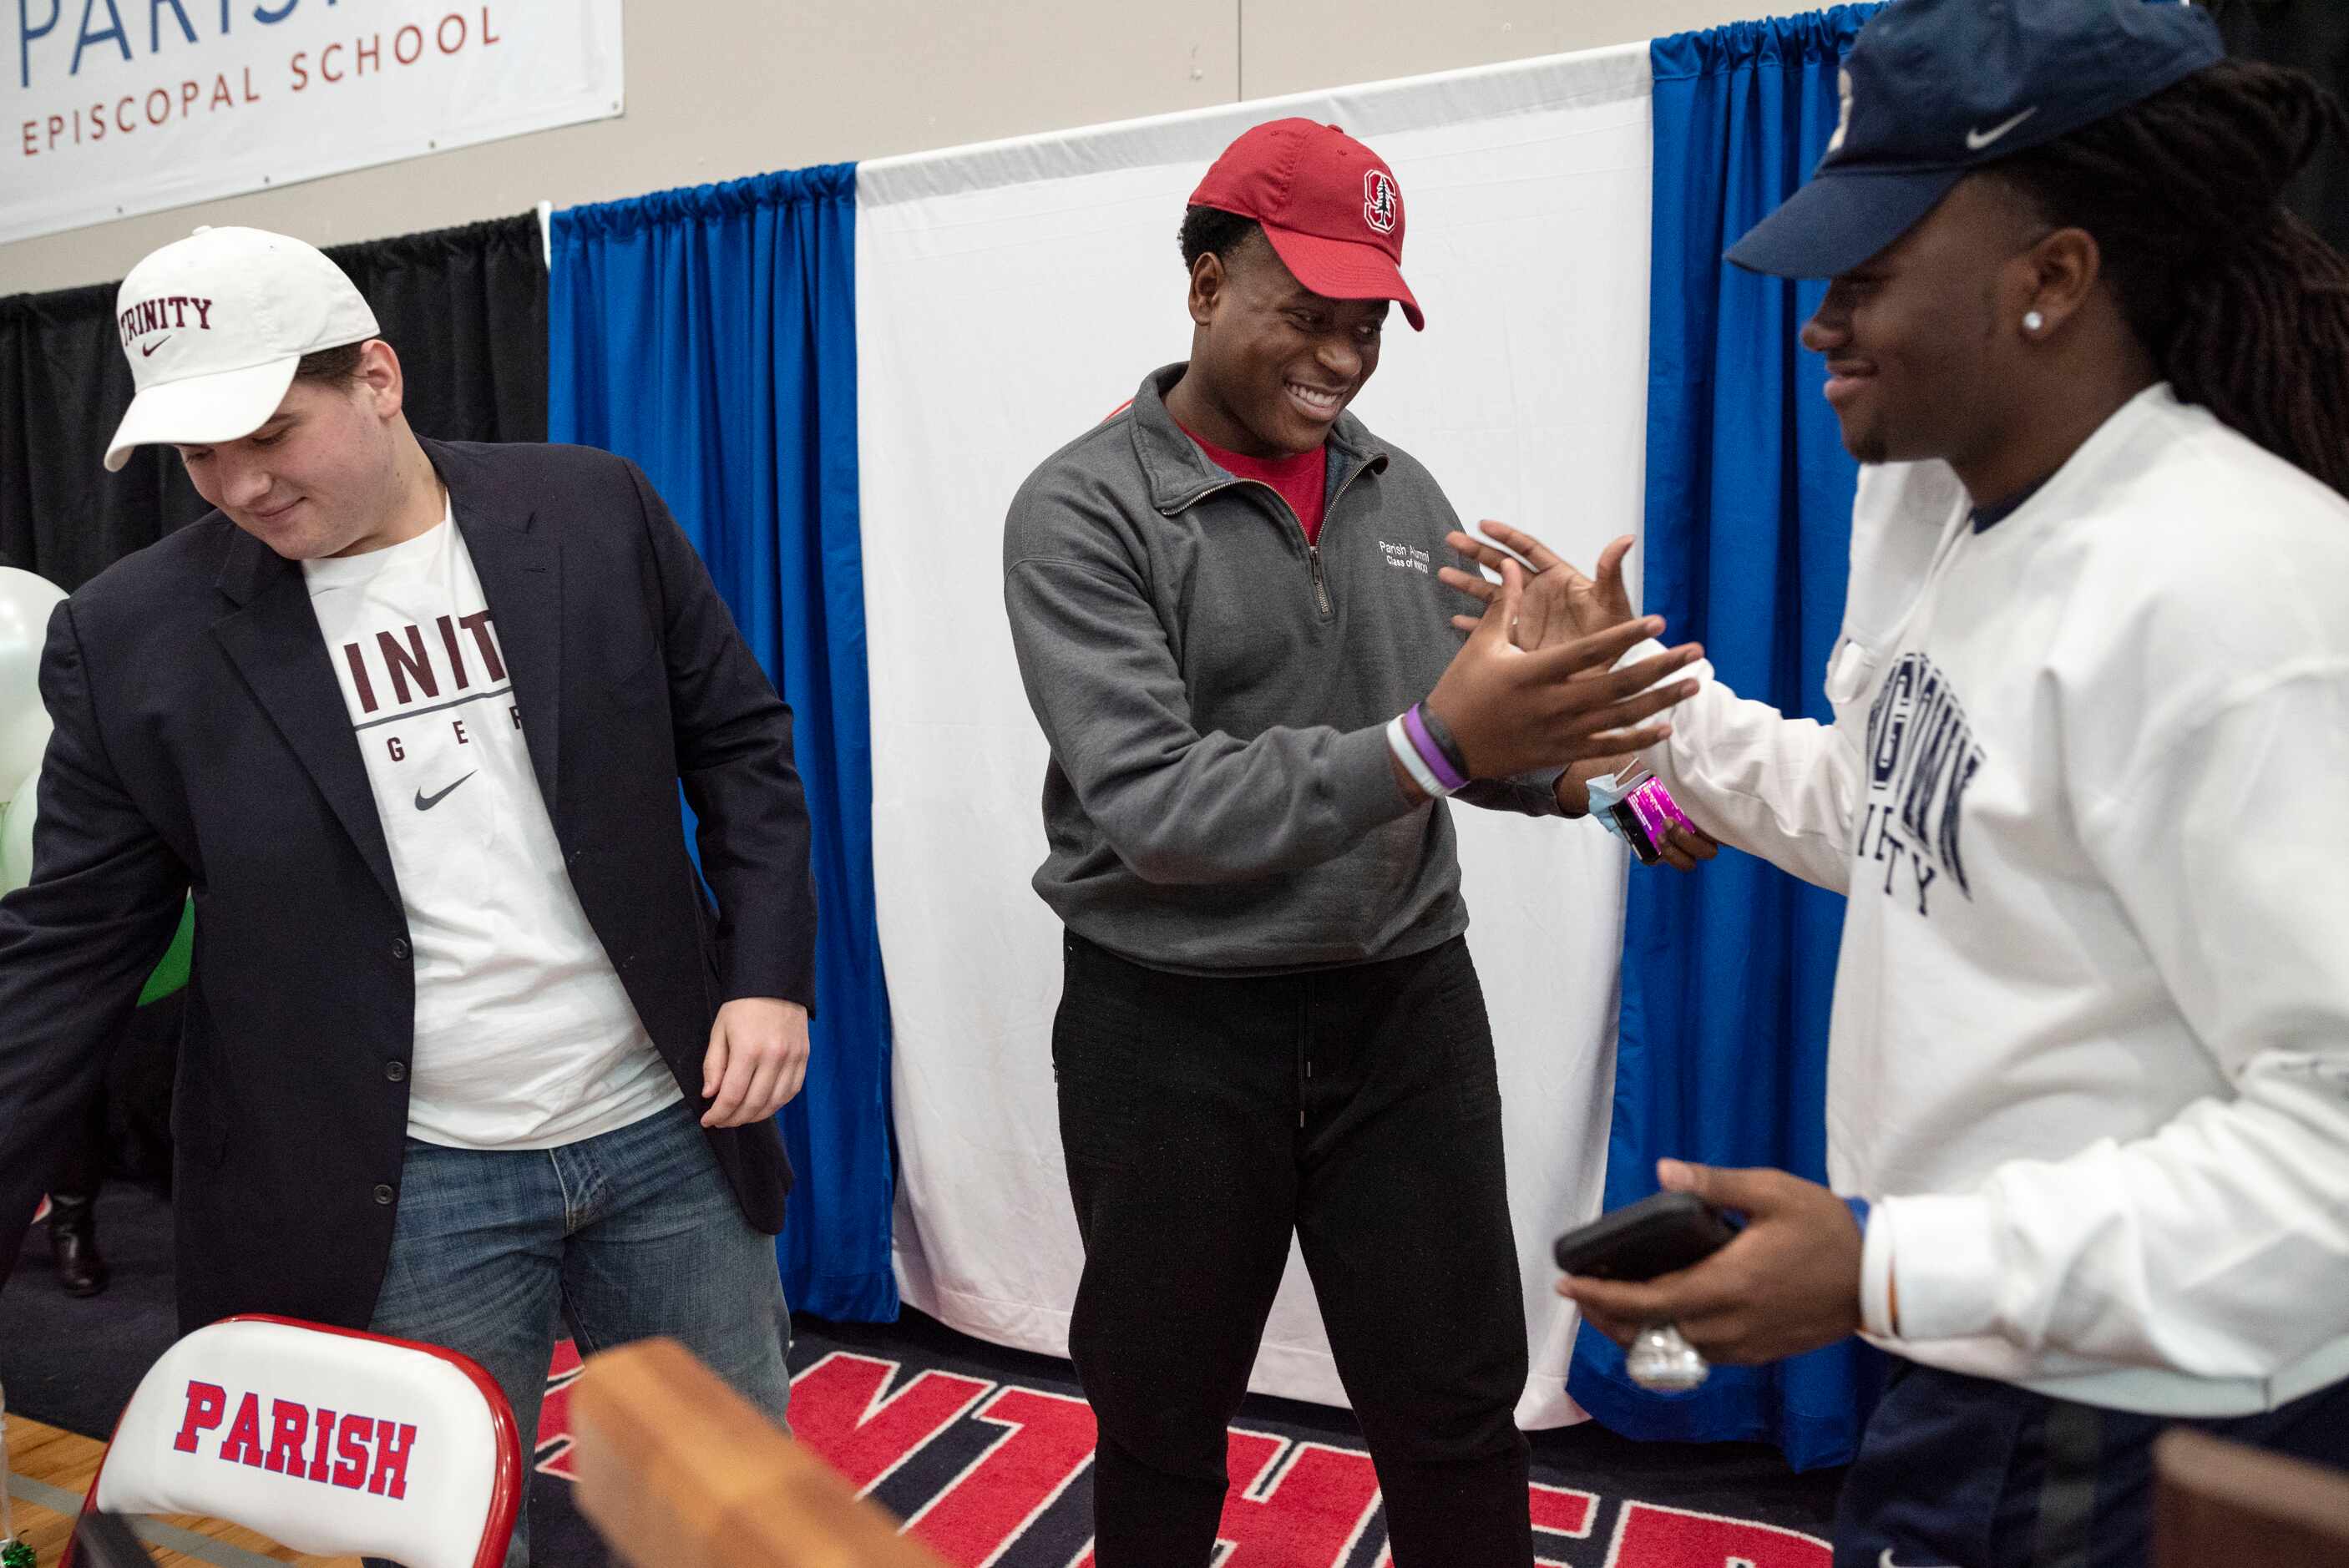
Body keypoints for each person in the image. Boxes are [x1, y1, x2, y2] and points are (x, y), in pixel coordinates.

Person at [1450, 3, 2349, 1563]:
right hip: (1977, 1368)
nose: (1818, 318)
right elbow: (1888, 824)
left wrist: (1878, 1265)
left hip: (2131, 1419)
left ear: (2051, 280)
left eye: (1870, 272)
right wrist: (1646, 709)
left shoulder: (2232, 592)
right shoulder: (1960, 526)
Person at [0, 227, 819, 1564]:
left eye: (273, 430)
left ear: (377, 375)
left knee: (725, 1521)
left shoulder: (591, 507)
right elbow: (66, 950)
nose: (241, 484)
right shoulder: (131, 637)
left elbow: (739, 742)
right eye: (199, 453)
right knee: (433, 1543)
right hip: (405, 1180)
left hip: (664, 1127)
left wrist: (767, 972)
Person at [1001, 119, 1704, 1567]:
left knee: (1454, 1408)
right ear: (1202, 286)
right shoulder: (1081, 510)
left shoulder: (1404, 494)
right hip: (1170, 1031)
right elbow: (1160, 806)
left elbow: (1463, 737)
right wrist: (1442, 739)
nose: (1339, 355)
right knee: (1159, 1415)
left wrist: (1604, 781)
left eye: (1367, 322)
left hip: (1402, 1010)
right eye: (1301, 314)